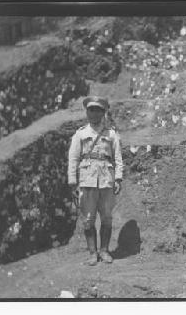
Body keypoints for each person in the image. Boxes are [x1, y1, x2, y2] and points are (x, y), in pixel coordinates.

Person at [68, 96, 123, 265]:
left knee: (106, 218)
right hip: (87, 181)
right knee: (88, 219)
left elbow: (118, 159)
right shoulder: (80, 134)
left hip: (106, 181)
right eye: (90, 109)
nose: (93, 113)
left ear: (103, 112)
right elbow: (73, 159)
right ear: (87, 112)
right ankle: (93, 253)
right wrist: (72, 182)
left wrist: (118, 179)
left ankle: (105, 251)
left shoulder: (111, 134)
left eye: (97, 110)